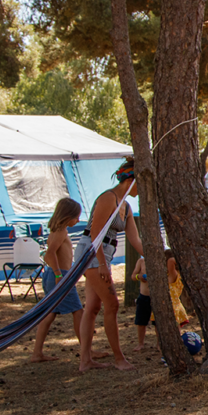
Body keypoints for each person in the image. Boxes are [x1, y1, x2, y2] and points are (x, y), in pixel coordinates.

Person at [74, 158, 143, 372]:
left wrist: (159, 257)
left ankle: (85, 360)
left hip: (104, 254)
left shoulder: (127, 207)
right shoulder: (108, 198)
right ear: (130, 180)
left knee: (93, 307)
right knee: (112, 304)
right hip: (92, 253)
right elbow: (95, 232)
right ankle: (119, 358)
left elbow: (136, 241)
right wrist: (102, 264)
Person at [31, 197, 84, 363]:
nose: (78, 220)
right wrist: (58, 274)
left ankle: (37, 353)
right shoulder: (61, 232)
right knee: (78, 311)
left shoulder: (58, 231)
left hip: (54, 274)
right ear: (67, 216)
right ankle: (86, 350)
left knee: (50, 313)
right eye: (76, 217)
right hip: (60, 276)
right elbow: (49, 254)